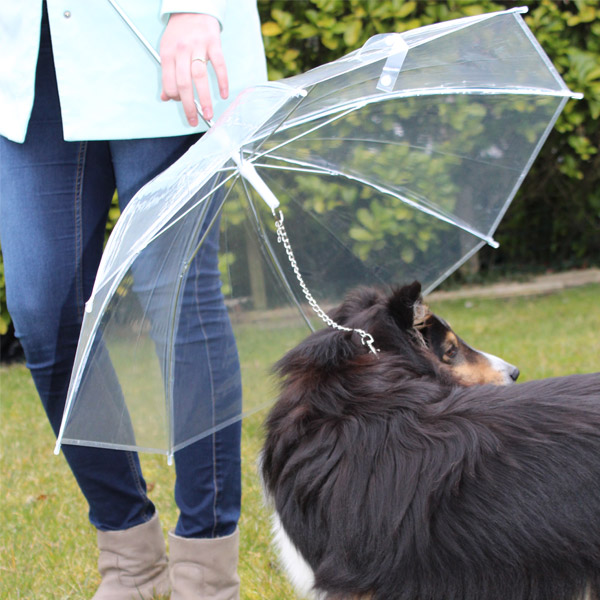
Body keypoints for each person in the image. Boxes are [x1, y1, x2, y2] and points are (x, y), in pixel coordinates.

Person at [0, 1, 266, 598]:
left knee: (174, 293)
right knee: (42, 309)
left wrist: (198, 8)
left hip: (152, 39)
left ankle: (205, 573)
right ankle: (131, 560)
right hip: (29, 59)